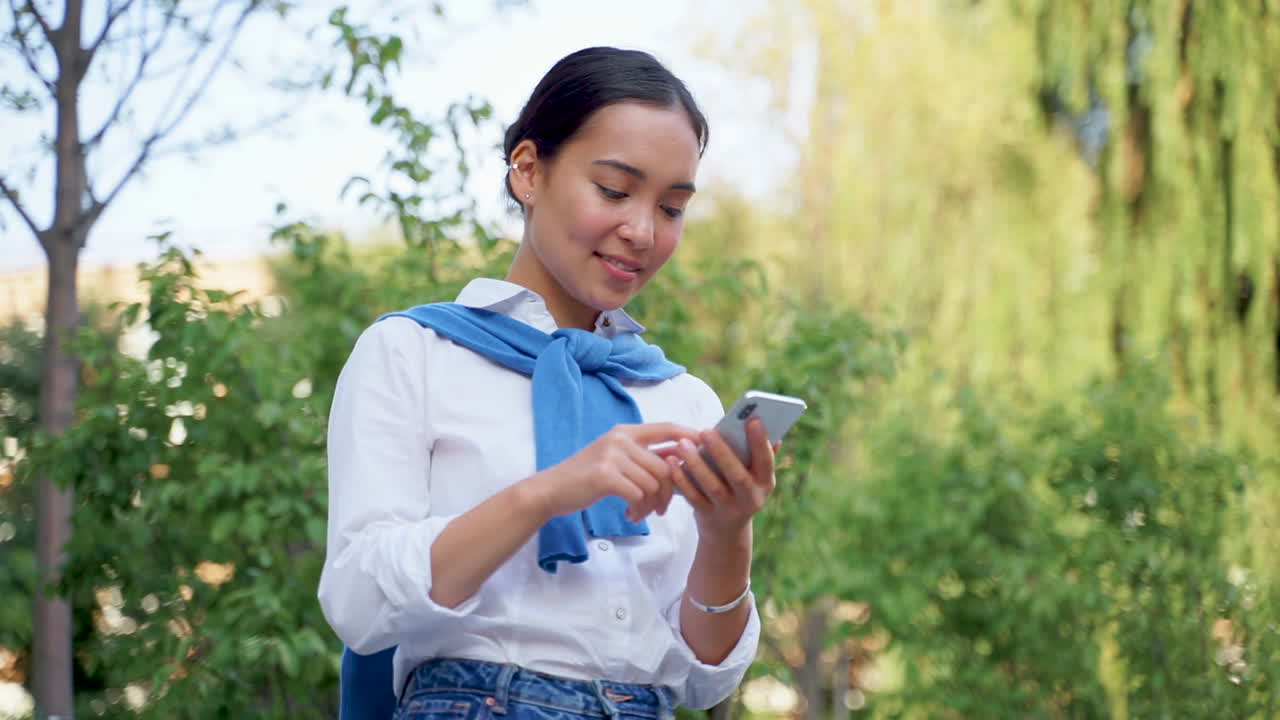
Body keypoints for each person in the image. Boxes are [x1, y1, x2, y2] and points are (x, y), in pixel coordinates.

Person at [318, 46, 778, 720]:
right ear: (529, 172)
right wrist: (546, 493)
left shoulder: (681, 401)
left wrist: (726, 533)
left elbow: (707, 678)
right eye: (615, 191)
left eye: (673, 208)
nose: (643, 231)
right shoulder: (414, 353)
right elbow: (359, 603)